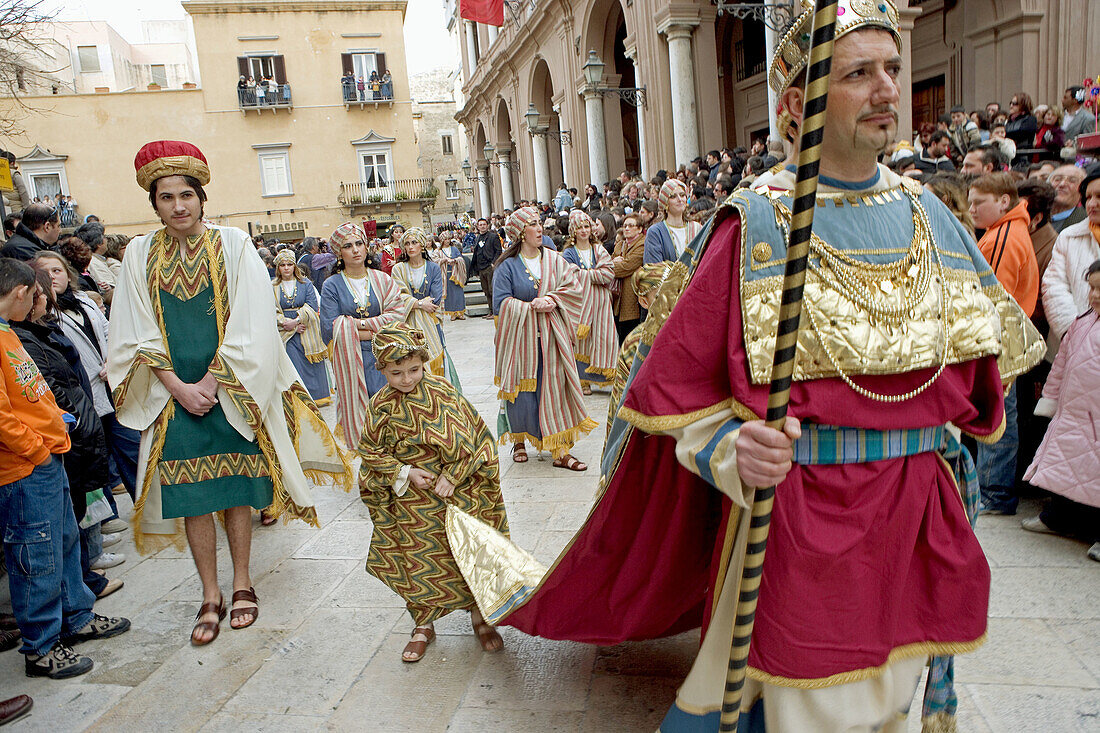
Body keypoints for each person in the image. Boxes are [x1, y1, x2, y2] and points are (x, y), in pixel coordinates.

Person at [447, 4, 1043, 732]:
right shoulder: (756, 222)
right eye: (859, 73)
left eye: (892, 68)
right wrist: (731, 445)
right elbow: (670, 389)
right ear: (796, 105)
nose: (888, 88)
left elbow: (986, 379)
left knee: (892, 696)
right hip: (801, 522)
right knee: (811, 709)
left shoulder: (931, 215)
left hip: (916, 515)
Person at [108, 141, 347, 646]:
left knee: (237, 492)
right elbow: (133, 329)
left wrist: (212, 384)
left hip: (229, 392)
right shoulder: (136, 253)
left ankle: (242, 583)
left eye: (186, 194)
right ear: (153, 204)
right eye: (166, 196)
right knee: (194, 498)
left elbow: (251, 321)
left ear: (201, 197)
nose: (178, 205)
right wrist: (176, 386)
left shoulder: (235, 244)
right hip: (172, 399)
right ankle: (209, 593)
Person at [1, 258, 131, 679]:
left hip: (46, 457)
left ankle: (76, 617)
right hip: (23, 468)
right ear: (22, 293)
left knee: (65, 542)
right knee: (35, 555)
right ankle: (41, 646)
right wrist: (35, 449)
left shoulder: (9, 333)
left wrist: (54, 427)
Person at [357, 323, 510, 662]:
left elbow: (477, 438)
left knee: (465, 552)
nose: (407, 379)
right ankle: (423, 623)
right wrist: (404, 472)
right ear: (381, 368)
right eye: (396, 373)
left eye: (414, 369)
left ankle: (479, 615)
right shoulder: (380, 405)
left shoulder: (444, 392)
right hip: (412, 499)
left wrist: (454, 476)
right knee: (418, 557)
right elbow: (369, 450)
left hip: (459, 489)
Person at [12, 271, 119, 601]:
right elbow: (47, 393)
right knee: (56, 537)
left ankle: (80, 592)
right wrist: (48, 444)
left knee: (71, 526)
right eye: (39, 293)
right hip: (52, 445)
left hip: (68, 436)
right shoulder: (23, 339)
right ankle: (68, 608)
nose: (44, 298)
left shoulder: (41, 332)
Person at [492, 206, 596, 470]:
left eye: (540, 223)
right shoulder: (507, 267)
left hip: (553, 339)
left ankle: (560, 450)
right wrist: (529, 307)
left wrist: (552, 300)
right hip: (521, 342)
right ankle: (520, 439)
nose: (539, 229)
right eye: (532, 224)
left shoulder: (555, 259)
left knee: (556, 392)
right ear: (519, 233)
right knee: (523, 395)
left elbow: (574, 289)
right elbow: (501, 304)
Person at [968, 173, 1039, 516]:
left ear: (1003, 201)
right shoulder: (1008, 231)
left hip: (1000, 344)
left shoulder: (1004, 236)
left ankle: (994, 493)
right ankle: (995, 492)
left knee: (998, 420)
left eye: (979, 202)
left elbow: (990, 298)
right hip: (1007, 343)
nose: (972, 209)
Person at [1022, 259, 1100, 562]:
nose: (1094, 295)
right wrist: (1051, 400)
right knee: (1063, 469)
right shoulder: (1083, 321)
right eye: (1091, 288)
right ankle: (1057, 518)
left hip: (1094, 420)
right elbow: (1062, 365)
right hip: (1071, 415)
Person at [320, 221, 410, 447]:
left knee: (393, 406)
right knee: (365, 413)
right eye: (348, 246)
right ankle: (373, 459)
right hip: (352, 358)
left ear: (366, 246)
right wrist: (374, 328)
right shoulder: (332, 285)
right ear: (339, 253)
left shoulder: (382, 279)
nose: (356, 250)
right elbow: (330, 326)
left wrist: (357, 326)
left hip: (387, 355)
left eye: (359, 243)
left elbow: (397, 315)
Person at [389, 227, 461, 387]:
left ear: (422, 245)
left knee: (436, 360)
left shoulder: (433, 268)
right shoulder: (398, 269)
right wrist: (420, 303)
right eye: (406, 243)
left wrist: (412, 302)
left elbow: (435, 299)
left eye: (414, 242)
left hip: (431, 324)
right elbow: (397, 296)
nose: (410, 247)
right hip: (407, 326)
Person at [561, 210, 618, 394]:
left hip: (601, 303)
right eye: (580, 228)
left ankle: (605, 376)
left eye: (587, 226)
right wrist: (595, 275)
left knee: (604, 337)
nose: (584, 231)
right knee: (581, 341)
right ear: (573, 231)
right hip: (580, 303)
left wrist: (585, 274)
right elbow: (570, 275)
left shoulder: (598, 249)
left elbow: (608, 273)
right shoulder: (569, 253)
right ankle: (583, 380)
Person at [1043, 171, 1100, 346]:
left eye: (1099, 196)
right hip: (1071, 345)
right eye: (1088, 197)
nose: (1092, 203)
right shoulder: (1069, 237)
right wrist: (1076, 333)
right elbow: (1054, 286)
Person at [272, 249, 331, 405]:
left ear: (294, 266)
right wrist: (288, 325)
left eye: (289, 264)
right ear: (278, 267)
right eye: (282, 265)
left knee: (311, 363)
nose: (286, 268)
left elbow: (312, 305)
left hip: (306, 327)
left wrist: (297, 321)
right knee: (293, 364)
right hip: (285, 331)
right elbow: (269, 309)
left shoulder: (305, 284)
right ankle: (299, 399)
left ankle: (318, 397)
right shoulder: (272, 286)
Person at [643, 179, 702, 264]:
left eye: (682, 195)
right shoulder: (655, 232)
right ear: (665, 203)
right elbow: (653, 269)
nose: (679, 199)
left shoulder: (697, 228)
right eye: (673, 196)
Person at [610, 213, 646, 342]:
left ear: (640, 229)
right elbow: (608, 260)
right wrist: (613, 263)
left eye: (631, 225)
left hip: (632, 302)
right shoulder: (620, 244)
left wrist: (611, 265)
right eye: (625, 225)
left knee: (630, 340)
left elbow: (626, 267)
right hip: (617, 300)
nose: (626, 228)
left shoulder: (642, 244)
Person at [469, 218, 501, 320]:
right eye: (480, 225)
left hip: (489, 267)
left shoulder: (493, 236)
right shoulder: (478, 238)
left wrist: (493, 263)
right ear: (477, 227)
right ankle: (490, 311)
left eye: (484, 224)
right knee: (486, 291)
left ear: (487, 226)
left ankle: (495, 311)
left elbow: (498, 251)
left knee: (492, 290)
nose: (482, 226)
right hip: (481, 268)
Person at [1047, 164, 1087, 233]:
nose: (1062, 184)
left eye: (1072, 181)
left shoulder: (1086, 222)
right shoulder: (1032, 215)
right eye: (1057, 179)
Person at [438, 235, 468, 319]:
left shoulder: (454, 249)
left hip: (456, 274)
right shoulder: (439, 251)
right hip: (445, 275)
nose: (447, 241)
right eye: (445, 239)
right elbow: (435, 260)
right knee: (449, 295)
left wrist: (455, 260)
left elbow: (461, 258)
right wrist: (443, 260)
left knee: (458, 293)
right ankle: (453, 313)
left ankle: (460, 312)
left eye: (448, 239)